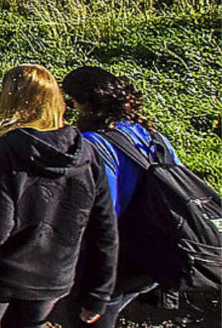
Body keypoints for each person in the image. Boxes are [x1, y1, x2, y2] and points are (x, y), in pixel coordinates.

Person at [0, 65, 117, 328]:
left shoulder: (5, 149)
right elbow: (104, 228)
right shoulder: (87, 152)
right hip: (53, 277)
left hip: (0, 273)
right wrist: (99, 294)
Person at [61, 66, 180, 325]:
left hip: (121, 255)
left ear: (84, 103)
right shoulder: (155, 137)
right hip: (160, 250)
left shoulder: (94, 144)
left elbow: (104, 214)